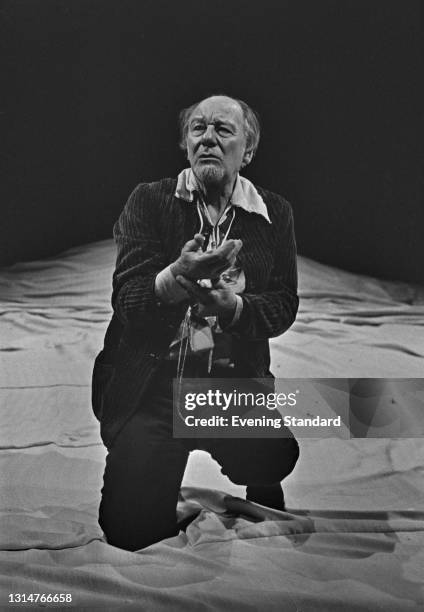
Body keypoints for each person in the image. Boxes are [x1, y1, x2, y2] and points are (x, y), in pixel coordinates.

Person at [92, 94, 300, 551]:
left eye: (223, 129)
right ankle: (146, 461)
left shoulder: (274, 213)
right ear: (186, 146)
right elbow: (128, 300)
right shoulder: (149, 200)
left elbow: (283, 304)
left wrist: (233, 308)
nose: (208, 138)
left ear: (247, 150)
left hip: (225, 388)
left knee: (274, 456)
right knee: (131, 534)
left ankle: (257, 475)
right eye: (198, 129)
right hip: (155, 388)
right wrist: (174, 280)